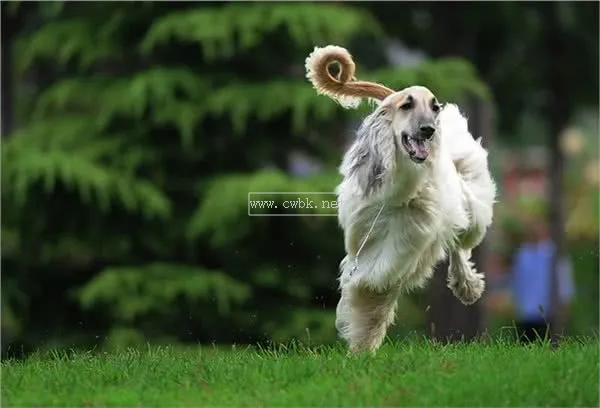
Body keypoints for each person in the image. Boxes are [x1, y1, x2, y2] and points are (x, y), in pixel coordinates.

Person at [510, 215, 575, 343]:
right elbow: (516, 281)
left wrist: (565, 303)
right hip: (526, 313)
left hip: (549, 312)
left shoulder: (554, 253)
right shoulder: (522, 254)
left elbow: (564, 280)